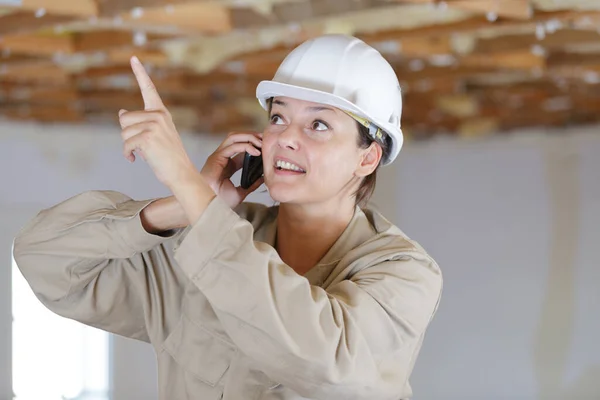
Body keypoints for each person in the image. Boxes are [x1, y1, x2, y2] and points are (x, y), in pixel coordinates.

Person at [13, 34, 442, 400]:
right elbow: (43, 258)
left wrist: (186, 182)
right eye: (278, 117)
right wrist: (182, 207)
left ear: (367, 157)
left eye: (319, 125)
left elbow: (326, 360)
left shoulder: (404, 275)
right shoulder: (195, 240)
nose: (287, 138)